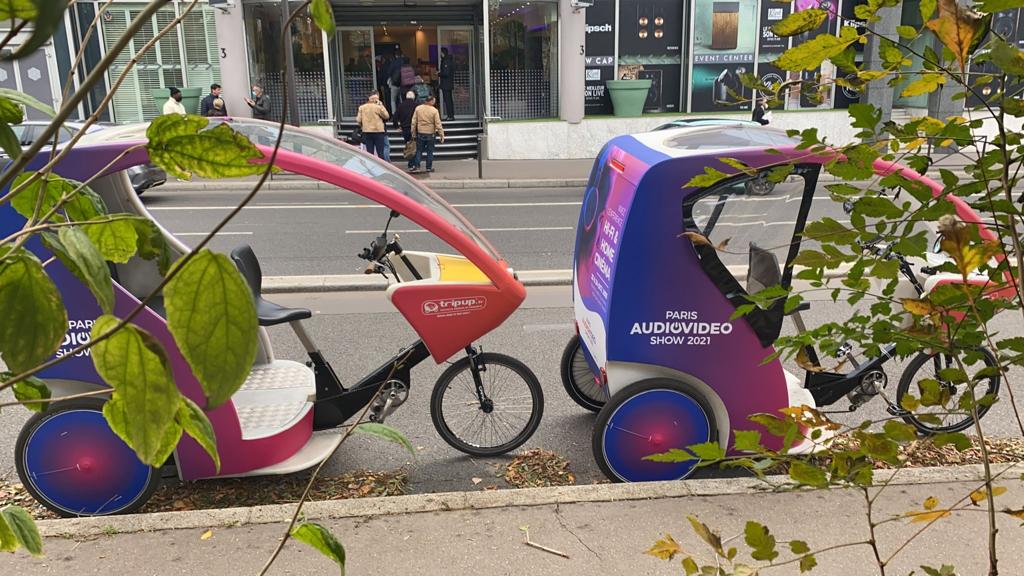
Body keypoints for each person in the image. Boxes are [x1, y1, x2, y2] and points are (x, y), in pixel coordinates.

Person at [410, 95, 444, 173]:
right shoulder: (434, 110)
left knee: (419, 151)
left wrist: (413, 132)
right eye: (434, 101)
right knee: (430, 151)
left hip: (420, 132)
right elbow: (438, 123)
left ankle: (417, 166)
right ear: (431, 101)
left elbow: (413, 122)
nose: (434, 102)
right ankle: (428, 167)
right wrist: (441, 134)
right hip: (430, 133)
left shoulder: (418, 108)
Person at [357, 90, 390, 160]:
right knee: (380, 152)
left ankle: (371, 167)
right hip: (378, 132)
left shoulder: (362, 107)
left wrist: (362, 125)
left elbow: (358, 120)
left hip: (367, 132)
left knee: (369, 153)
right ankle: (381, 167)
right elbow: (386, 116)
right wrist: (381, 105)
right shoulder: (378, 107)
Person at [394, 90, 418, 170]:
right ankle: (414, 163)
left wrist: (396, 126)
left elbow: (395, 117)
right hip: (414, 128)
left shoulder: (401, 105)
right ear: (413, 97)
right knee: (414, 146)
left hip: (405, 128)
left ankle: (411, 163)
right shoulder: (416, 105)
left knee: (408, 145)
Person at [438, 47, 455, 120]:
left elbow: (446, 73)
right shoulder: (447, 60)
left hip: (446, 84)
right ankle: (450, 115)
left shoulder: (446, 61)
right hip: (447, 84)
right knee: (448, 100)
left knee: (448, 100)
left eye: (441, 53)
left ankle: (450, 116)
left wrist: (439, 73)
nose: (440, 54)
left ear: (443, 53)